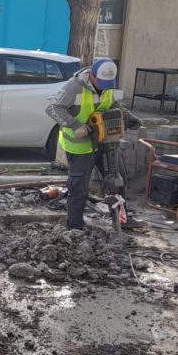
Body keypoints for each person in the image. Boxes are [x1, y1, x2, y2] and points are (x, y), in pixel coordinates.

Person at [45, 58, 143, 230]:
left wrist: (127, 116)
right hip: (81, 146)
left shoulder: (106, 86)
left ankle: (121, 220)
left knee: (118, 180)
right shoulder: (74, 87)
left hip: (105, 141)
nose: (105, 87)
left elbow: (111, 104)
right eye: (102, 82)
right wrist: (75, 125)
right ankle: (75, 227)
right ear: (92, 74)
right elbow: (53, 108)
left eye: (108, 84)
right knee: (79, 188)